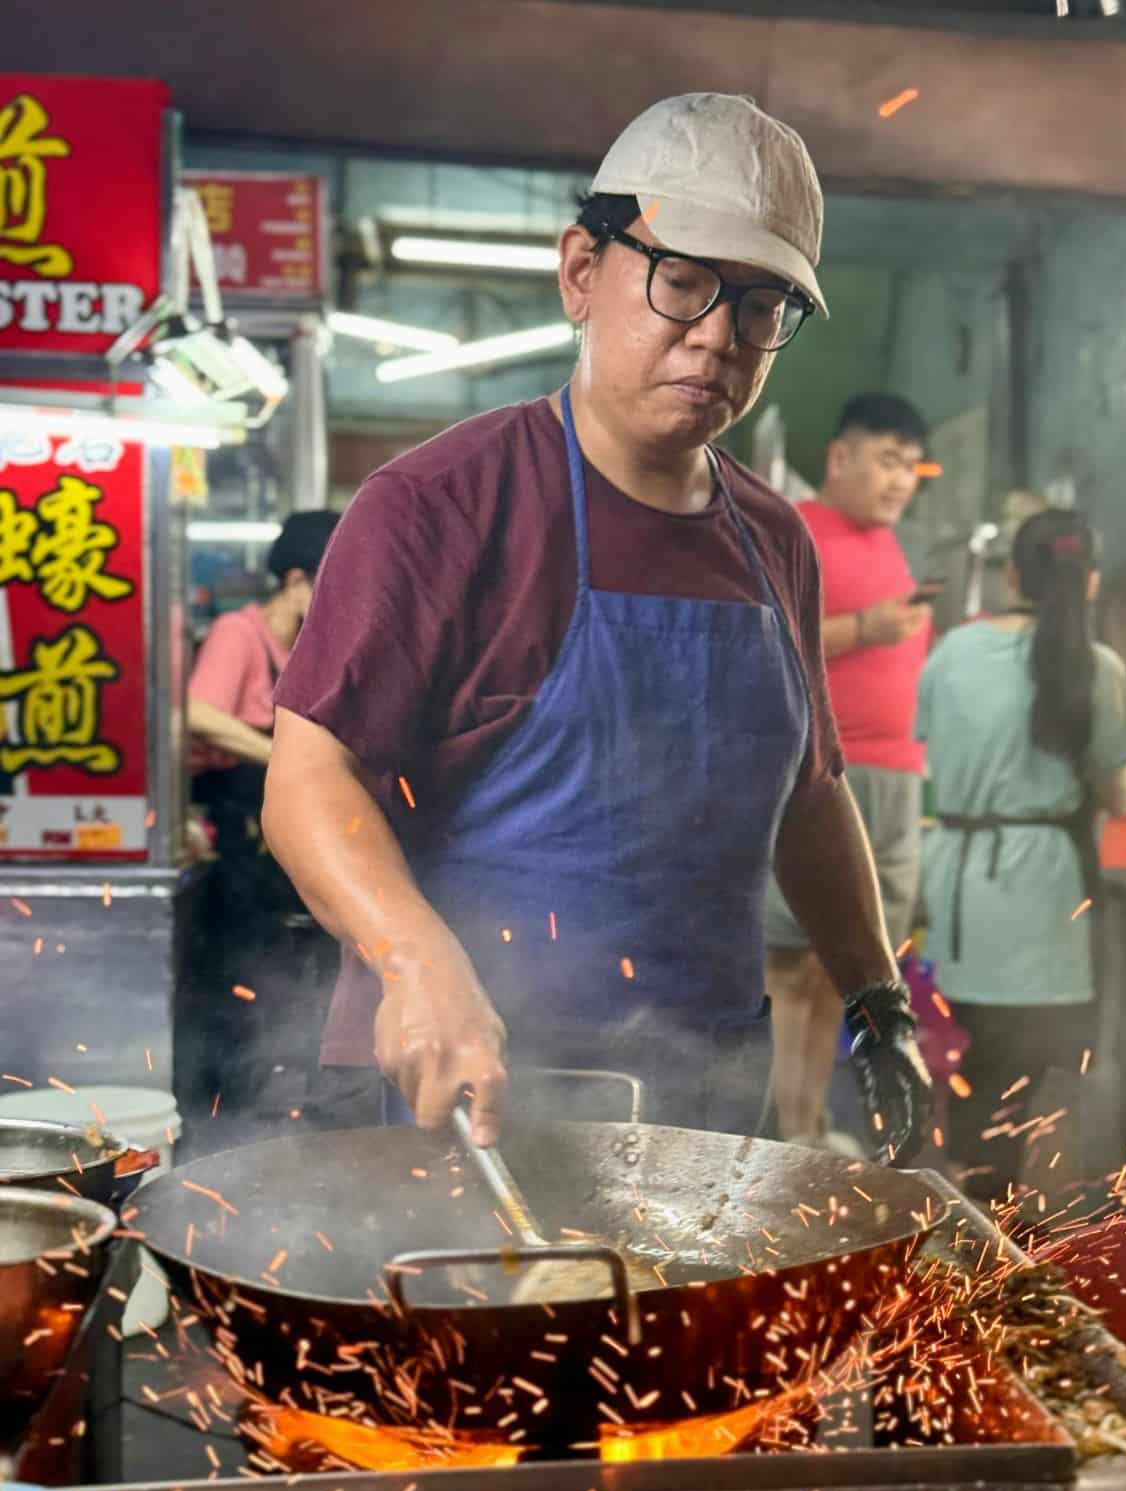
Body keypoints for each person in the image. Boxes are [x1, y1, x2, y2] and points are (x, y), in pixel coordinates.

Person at [262, 93, 930, 1158]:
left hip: (704, 1086)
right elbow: (307, 782)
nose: (717, 335)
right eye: (683, 281)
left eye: (761, 307)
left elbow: (811, 795)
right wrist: (412, 960)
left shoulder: (775, 540)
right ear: (583, 270)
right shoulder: (443, 505)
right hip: (468, 1094)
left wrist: (877, 997)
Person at [915, 508, 1126, 1202]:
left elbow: (930, 749)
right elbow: (1123, 794)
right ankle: (1033, 1247)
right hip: (1049, 899)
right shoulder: (1095, 668)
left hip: (959, 891)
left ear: (1011, 575)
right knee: (1050, 1085)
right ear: (1092, 581)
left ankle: (953, 1241)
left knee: (962, 1074)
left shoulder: (953, 651)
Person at [764, 393, 934, 1150]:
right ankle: (780, 1133)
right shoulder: (799, 529)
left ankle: (814, 1128)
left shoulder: (888, 544)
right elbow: (768, 641)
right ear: (841, 458)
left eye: (911, 467)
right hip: (823, 775)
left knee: (851, 971)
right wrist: (868, 628)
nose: (901, 481)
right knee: (789, 965)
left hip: (897, 778)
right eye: (887, 461)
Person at [183, 509, 340, 1125]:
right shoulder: (238, 633)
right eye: (327, 586)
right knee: (239, 973)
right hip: (233, 839)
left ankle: (273, 1097)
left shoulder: (303, 646)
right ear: (297, 581)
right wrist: (285, 756)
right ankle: (224, 1112)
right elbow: (196, 714)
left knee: (283, 970)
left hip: (276, 840)